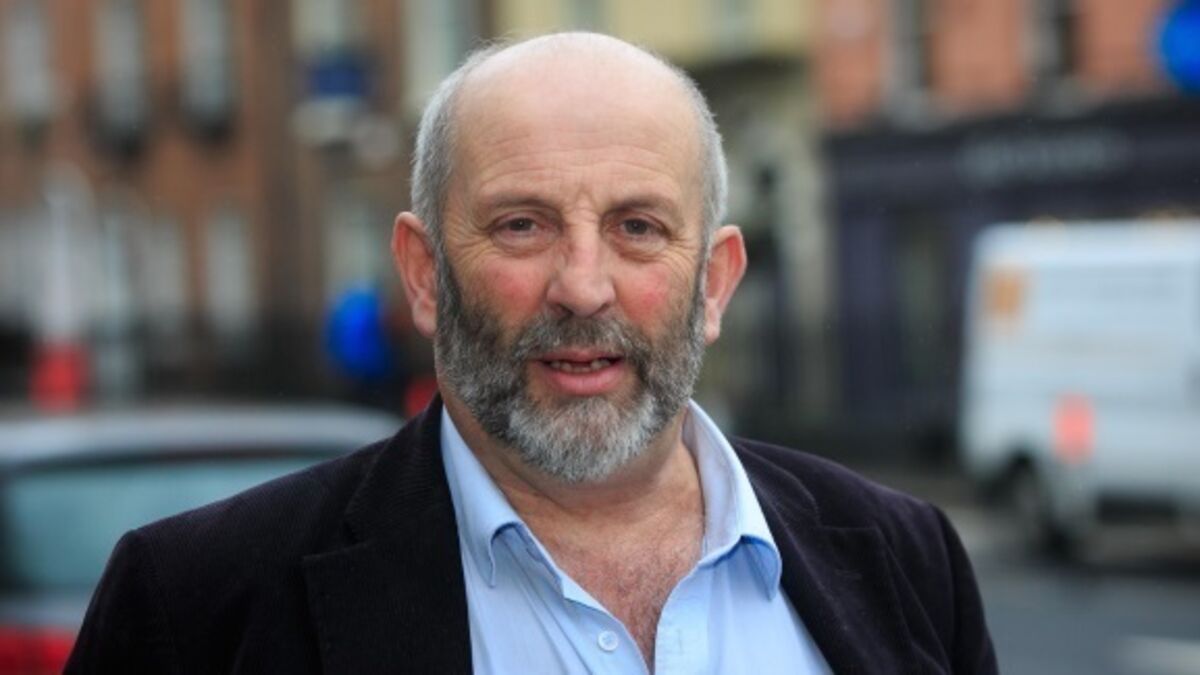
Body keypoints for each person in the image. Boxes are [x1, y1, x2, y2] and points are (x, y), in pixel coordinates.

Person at [67, 32, 997, 674]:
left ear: (714, 282)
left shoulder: (907, 560)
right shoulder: (196, 607)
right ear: (425, 274)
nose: (583, 286)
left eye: (638, 227)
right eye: (522, 225)